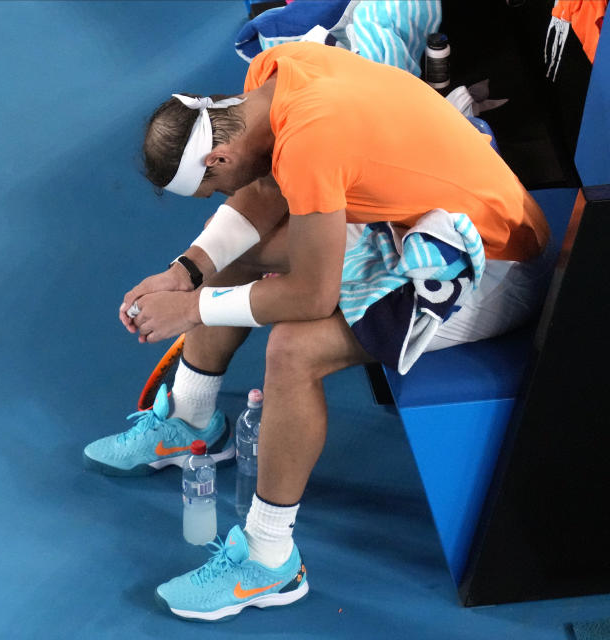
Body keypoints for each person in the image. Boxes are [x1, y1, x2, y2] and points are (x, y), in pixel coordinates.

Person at [83, 42, 550, 622]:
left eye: (214, 189)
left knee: (296, 349)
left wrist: (196, 310)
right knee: (236, 254)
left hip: (493, 263)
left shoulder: (313, 137)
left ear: (219, 158)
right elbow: (261, 190)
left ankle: (270, 561)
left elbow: (310, 296)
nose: (223, 195)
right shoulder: (272, 79)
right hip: (418, 221)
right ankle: (191, 420)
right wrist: (186, 275)